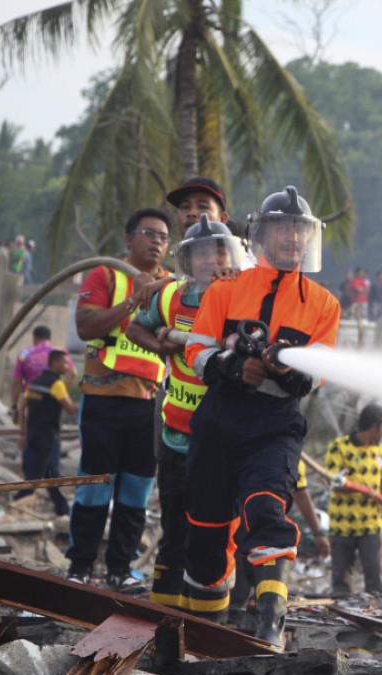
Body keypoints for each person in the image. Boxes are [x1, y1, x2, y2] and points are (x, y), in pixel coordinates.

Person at [183, 185, 340, 649]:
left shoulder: (323, 304)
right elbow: (196, 350)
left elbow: (319, 373)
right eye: (282, 228)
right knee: (207, 540)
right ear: (261, 235)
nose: (292, 238)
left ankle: (270, 627)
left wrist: (283, 371)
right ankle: (205, 641)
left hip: (275, 425)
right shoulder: (228, 287)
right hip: (218, 421)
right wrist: (235, 366)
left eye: (300, 230)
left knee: (267, 511)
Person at [126, 210, 249, 610]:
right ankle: (165, 622)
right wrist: (159, 345)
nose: (212, 262)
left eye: (220, 253)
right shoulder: (171, 296)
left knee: (215, 533)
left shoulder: (244, 300)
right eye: (202, 255)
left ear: (232, 257)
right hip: (177, 438)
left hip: (223, 441)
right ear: (189, 261)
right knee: (174, 529)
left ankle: (210, 624)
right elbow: (134, 327)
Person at [65, 208, 173, 589]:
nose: (157, 241)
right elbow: (85, 326)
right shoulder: (106, 275)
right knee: (95, 485)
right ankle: (79, 568)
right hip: (104, 399)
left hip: (150, 405)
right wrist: (132, 302)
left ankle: (120, 569)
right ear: (129, 239)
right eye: (149, 233)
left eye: (163, 236)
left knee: (136, 489)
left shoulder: (174, 287)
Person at [227, 458, 330, 627]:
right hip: (237, 518)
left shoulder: (290, 453)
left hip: (258, 524)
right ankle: (235, 616)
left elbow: (302, 494)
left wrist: (318, 533)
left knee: (261, 558)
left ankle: (255, 614)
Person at [324, 403, 382, 597]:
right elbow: (332, 482)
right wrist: (362, 490)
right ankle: (342, 617)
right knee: (341, 582)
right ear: (374, 427)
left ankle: (379, 616)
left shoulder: (380, 451)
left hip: (371, 525)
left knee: (376, 581)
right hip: (343, 525)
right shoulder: (339, 448)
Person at [17, 349, 78, 515]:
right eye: (64, 363)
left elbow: (22, 407)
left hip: (32, 434)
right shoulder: (56, 385)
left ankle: (62, 509)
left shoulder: (35, 381)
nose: (66, 366)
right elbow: (71, 409)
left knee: (51, 475)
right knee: (33, 479)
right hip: (47, 437)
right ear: (55, 363)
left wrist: (22, 433)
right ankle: (15, 505)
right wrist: (89, 405)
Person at [11, 326, 73, 424]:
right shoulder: (60, 353)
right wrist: (63, 394)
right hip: (52, 402)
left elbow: (16, 383)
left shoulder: (24, 354)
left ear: (34, 338)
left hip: (30, 401)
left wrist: (14, 406)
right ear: (49, 338)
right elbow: (73, 373)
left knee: (28, 432)